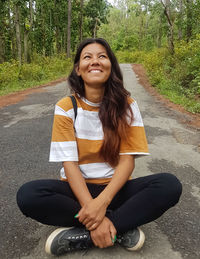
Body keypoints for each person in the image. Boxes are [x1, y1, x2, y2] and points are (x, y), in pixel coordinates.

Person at [17, 38, 182, 256]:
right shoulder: (66, 108)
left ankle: (84, 235)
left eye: (102, 56)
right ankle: (118, 228)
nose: (95, 61)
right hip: (77, 192)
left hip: (116, 189)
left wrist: (102, 204)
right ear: (78, 69)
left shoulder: (127, 106)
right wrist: (93, 207)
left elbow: (127, 161)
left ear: (111, 66)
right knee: (28, 195)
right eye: (87, 57)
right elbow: (70, 163)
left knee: (169, 185)